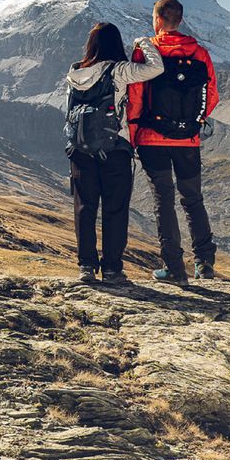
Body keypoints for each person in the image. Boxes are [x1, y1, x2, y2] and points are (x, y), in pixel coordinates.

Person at [128, 0, 220, 282]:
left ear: (156, 20)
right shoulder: (200, 53)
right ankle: (204, 265)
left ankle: (174, 268)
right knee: (193, 199)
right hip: (188, 141)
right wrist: (195, 123)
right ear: (179, 21)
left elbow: (136, 97)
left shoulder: (148, 51)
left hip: (152, 140)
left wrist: (134, 135)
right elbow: (211, 95)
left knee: (163, 201)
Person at [63, 22, 163, 283]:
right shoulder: (118, 71)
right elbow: (156, 68)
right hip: (114, 149)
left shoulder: (74, 72)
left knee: (84, 208)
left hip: (79, 149)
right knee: (114, 209)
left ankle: (86, 266)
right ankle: (112, 269)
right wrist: (143, 42)